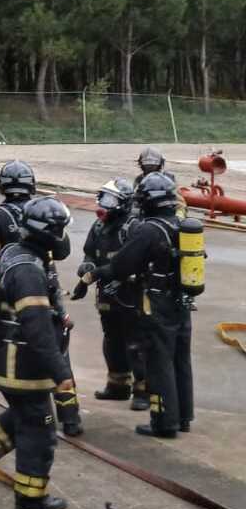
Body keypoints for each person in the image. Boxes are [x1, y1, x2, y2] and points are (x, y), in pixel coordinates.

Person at [0, 197, 75, 509]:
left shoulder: (17, 253)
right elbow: (37, 329)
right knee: (40, 427)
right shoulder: (28, 270)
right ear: (48, 233)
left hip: (11, 357)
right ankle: (30, 495)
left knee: (23, 416)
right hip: (23, 362)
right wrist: (61, 373)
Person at [0, 160, 82, 436]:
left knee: (23, 340)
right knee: (59, 346)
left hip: (19, 285)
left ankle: (30, 406)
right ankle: (71, 418)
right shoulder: (45, 209)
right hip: (48, 284)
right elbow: (61, 251)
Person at [100, 173, 195, 438]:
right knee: (180, 358)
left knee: (159, 360)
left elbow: (122, 265)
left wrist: (96, 273)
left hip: (158, 302)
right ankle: (183, 417)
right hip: (181, 301)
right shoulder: (182, 225)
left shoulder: (149, 230)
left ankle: (164, 422)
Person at [73, 178, 148, 409]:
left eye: (111, 199)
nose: (105, 204)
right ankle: (118, 386)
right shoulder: (99, 227)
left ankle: (143, 392)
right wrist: (86, 266)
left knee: (136, 343)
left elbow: (139, 262)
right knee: (112, 340)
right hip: (106, 293)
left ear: (124, 203)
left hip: (131, 294)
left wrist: (110, 277)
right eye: (103, 197)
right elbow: (89, 254)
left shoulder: (133, 227)